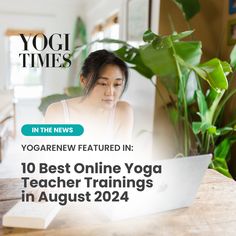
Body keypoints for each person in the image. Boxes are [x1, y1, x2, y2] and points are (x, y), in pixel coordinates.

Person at [44, 49, 133, 143]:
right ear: (83, 81)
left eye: (117, 84)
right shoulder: (58, 112)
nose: (110, 92)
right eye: (102, 83)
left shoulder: (123, 111)